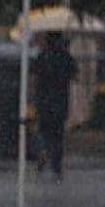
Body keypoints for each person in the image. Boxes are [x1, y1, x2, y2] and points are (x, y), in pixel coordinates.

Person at [33, 32, 77, 180]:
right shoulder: (66, 57)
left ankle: (44, 150)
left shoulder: (42, 56)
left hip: (43, 99)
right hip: (60, 100)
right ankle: (56, 166)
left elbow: (35, 75)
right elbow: (74, 74)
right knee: (58, 134)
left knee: (44, 130)